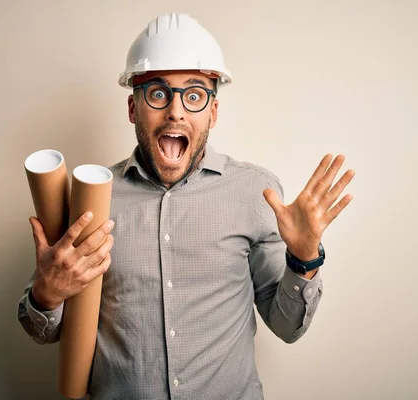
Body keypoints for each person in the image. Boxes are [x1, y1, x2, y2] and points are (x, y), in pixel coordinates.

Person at [18, 12, 355, 400]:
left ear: (212, 112)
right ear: (133, 109)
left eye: (194, 95)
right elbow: (43, 330)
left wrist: (304, 257)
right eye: (158, 93)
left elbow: (287, 326)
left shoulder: (255, 192)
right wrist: (47, 294)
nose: (176, 111)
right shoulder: (92, 198)